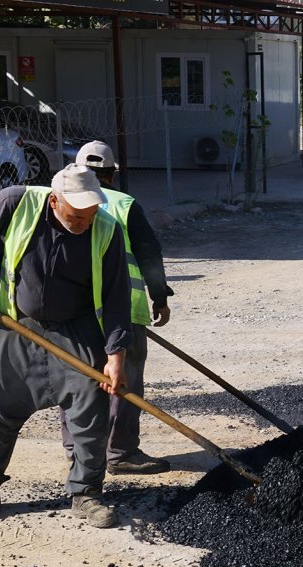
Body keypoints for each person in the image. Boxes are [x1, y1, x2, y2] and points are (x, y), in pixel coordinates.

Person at [0, 164, 133, 528]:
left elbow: (117, 297)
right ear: (54, 201)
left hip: (77, 328)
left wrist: (115, 358)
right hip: (17, 323)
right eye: (76, 216)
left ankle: (86, 492)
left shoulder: (106, 228)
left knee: (90, 409)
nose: (84, 222)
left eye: (90, 214)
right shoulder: (16, 202)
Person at [58, 140, 174, 474]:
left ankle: (76, 451)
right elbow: (149, 252)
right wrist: (159, 296)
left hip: (74, 313)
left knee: (76, 380)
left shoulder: (57, 201)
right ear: (111, 173)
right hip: (123, 312)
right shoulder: (124, 204)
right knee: (125, 378)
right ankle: (120, 452)